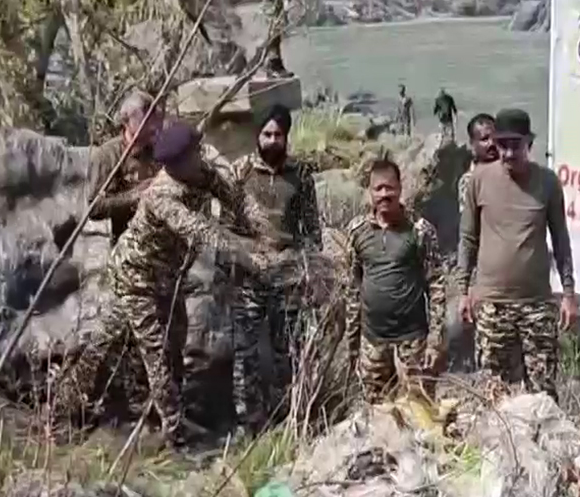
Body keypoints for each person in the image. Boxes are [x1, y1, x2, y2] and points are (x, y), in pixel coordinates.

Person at [54, 122, 268, 448]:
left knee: (157, 341)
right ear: (176, 163)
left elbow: (235, 197)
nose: (201, 155)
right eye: (195, 152)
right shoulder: (161, 195)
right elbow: (200, 230)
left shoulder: (202, 172)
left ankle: (152, 413)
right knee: (157, 353)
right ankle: (175, 435)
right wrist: (249, 252)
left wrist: (263, 229)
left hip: (166, 277)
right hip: (135, 279)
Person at [458, 108, 576, 397]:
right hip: (492, 305)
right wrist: (463, 290)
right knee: (495, 393)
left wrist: (569, 294)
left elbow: (560, 240)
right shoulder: (479, 180)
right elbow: (468, 238)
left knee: (543, 394)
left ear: (529, 144)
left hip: (536, 305)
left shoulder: (547, 183)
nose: (509, 153)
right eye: (502, 145)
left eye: (516, 145)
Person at [231, 103, 323, 430]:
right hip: (249, 277)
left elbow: (312, 230)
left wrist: (311, 272)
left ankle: (287, 416)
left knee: (287, 351)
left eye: (278, 135)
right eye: (266, 134)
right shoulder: (240, 172)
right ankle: (248, 422)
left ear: (286, 137)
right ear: (257, 136)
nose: (272, 141)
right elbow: (226, 226)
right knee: (245, 353)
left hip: (288, 278)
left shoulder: (301, 175)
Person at [343, 156, 445, 403]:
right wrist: (352, 344)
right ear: (370, 192)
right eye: (378, 188)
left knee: (420, 411)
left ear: (400, 188)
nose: (385, 194)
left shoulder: (420, 230)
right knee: (377, 413)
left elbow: (437, 284)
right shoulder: (357, 231)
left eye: (390, 187)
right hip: (373, 343)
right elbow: (353, 289)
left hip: (413, 342)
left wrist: (435, 341)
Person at [87, 89, 166, 245]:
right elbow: (95, 208)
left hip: (161, 247)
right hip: (127, 247)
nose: (152, 126)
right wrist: (136, 196)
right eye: (146, 119)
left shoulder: (160, 151)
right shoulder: (108, 156)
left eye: (154, 119)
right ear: (126, 121)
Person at [457, 112, 499, 212]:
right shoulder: (469, 181)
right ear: (473, 144)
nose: (492, 143)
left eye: (495, 137)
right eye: (484, 139)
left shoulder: (508, 170)